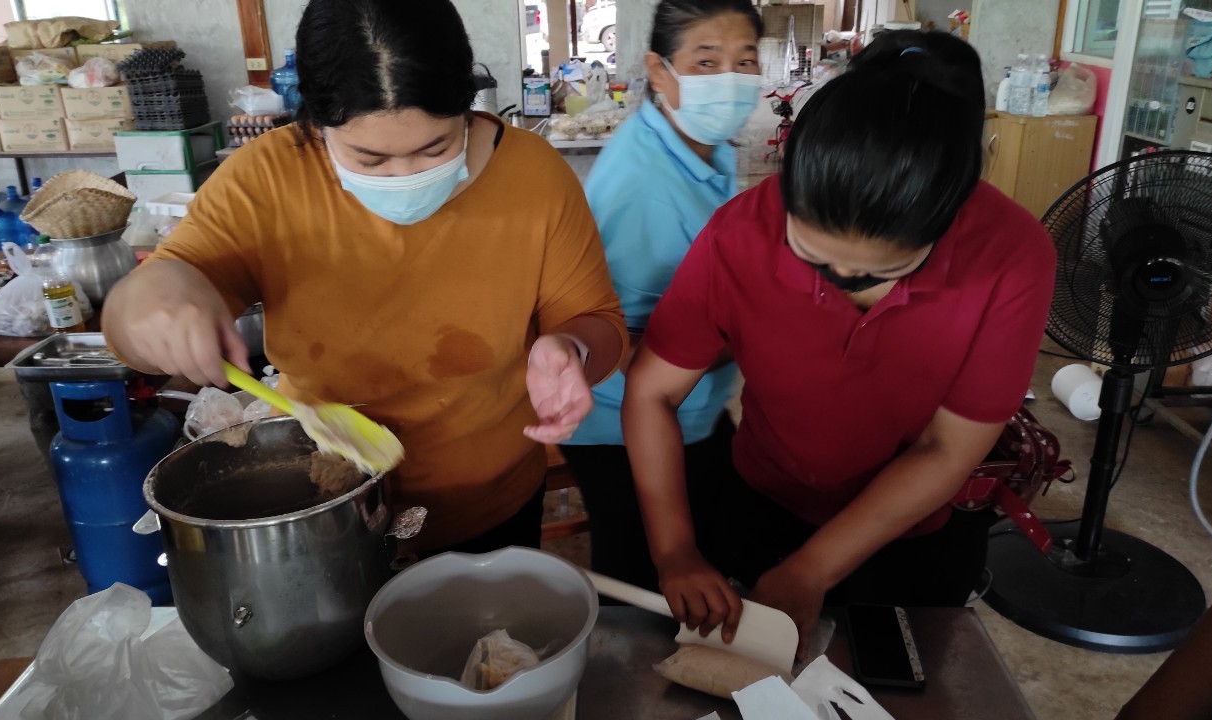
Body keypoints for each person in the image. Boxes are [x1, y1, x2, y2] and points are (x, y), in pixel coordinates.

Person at [104, 0, 627, 557]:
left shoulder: (533, 176)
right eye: (370, 160)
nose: (405, 176)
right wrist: (153, 297)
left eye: (436, 148)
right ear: (315, 122)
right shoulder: (265, 181)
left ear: (466, 106)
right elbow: (133, 323)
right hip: (330, 506)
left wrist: (571, 348)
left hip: (491, 504)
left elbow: (599, 322)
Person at [622, 29, 1057, 655]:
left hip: (911, 533)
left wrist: (812, 570)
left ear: (950, 215)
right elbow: (652, 391)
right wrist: (675, 551)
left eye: (880, 272)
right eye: (813, 257)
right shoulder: (740, 233)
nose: (845, 280)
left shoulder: (1011, 256)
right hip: (761, 503)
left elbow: (945, 447)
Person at [559, 0, 762, 591]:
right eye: (705, 61)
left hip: (691, 406)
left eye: (744, 60)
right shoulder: (647, 187)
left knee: (712, 544)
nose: (729, 79)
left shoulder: (701, 146)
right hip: (626, 425)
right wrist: (754, 333)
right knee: (646, 583)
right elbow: (624, 343)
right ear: (658, 70)